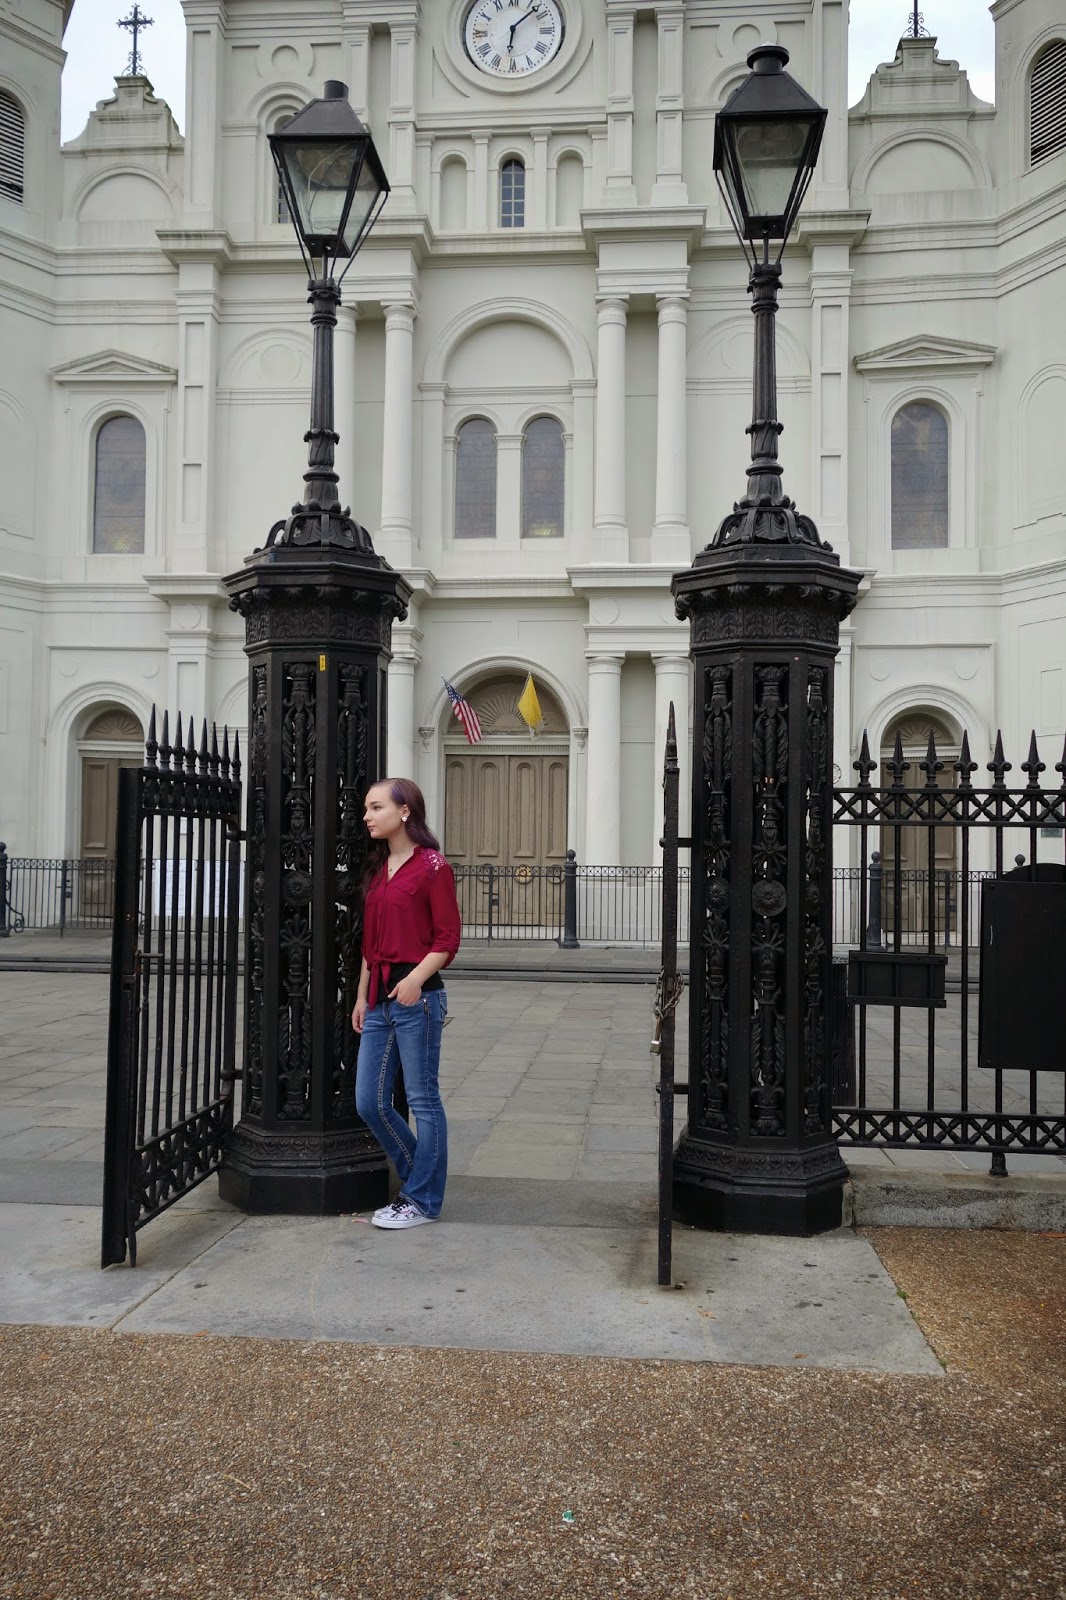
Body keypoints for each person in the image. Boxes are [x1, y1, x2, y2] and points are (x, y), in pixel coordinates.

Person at [352, 778, 461, 1229]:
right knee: (369, 1101)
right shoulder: (379, 869)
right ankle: (423, 1178)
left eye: (376, 807)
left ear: (404, 811)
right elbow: (369, 943)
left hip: (420, 998)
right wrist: (361, 996)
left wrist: (416, 979)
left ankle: (421, 1200)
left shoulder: (433, 866)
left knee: (422, 1098)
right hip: (379, 998)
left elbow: (447, 939)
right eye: (367, 808)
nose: (367, 816)